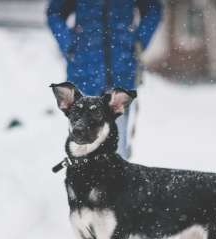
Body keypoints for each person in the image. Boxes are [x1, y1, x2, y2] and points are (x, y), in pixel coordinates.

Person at [46, 0, 162, 159]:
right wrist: (69, 44)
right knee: (83, 145)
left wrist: (139, 41)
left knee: (117, 149)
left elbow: (153, 10)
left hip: (121, 73)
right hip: (85, 72)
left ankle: (118, 181)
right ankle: (83, 182)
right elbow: (55, 13)